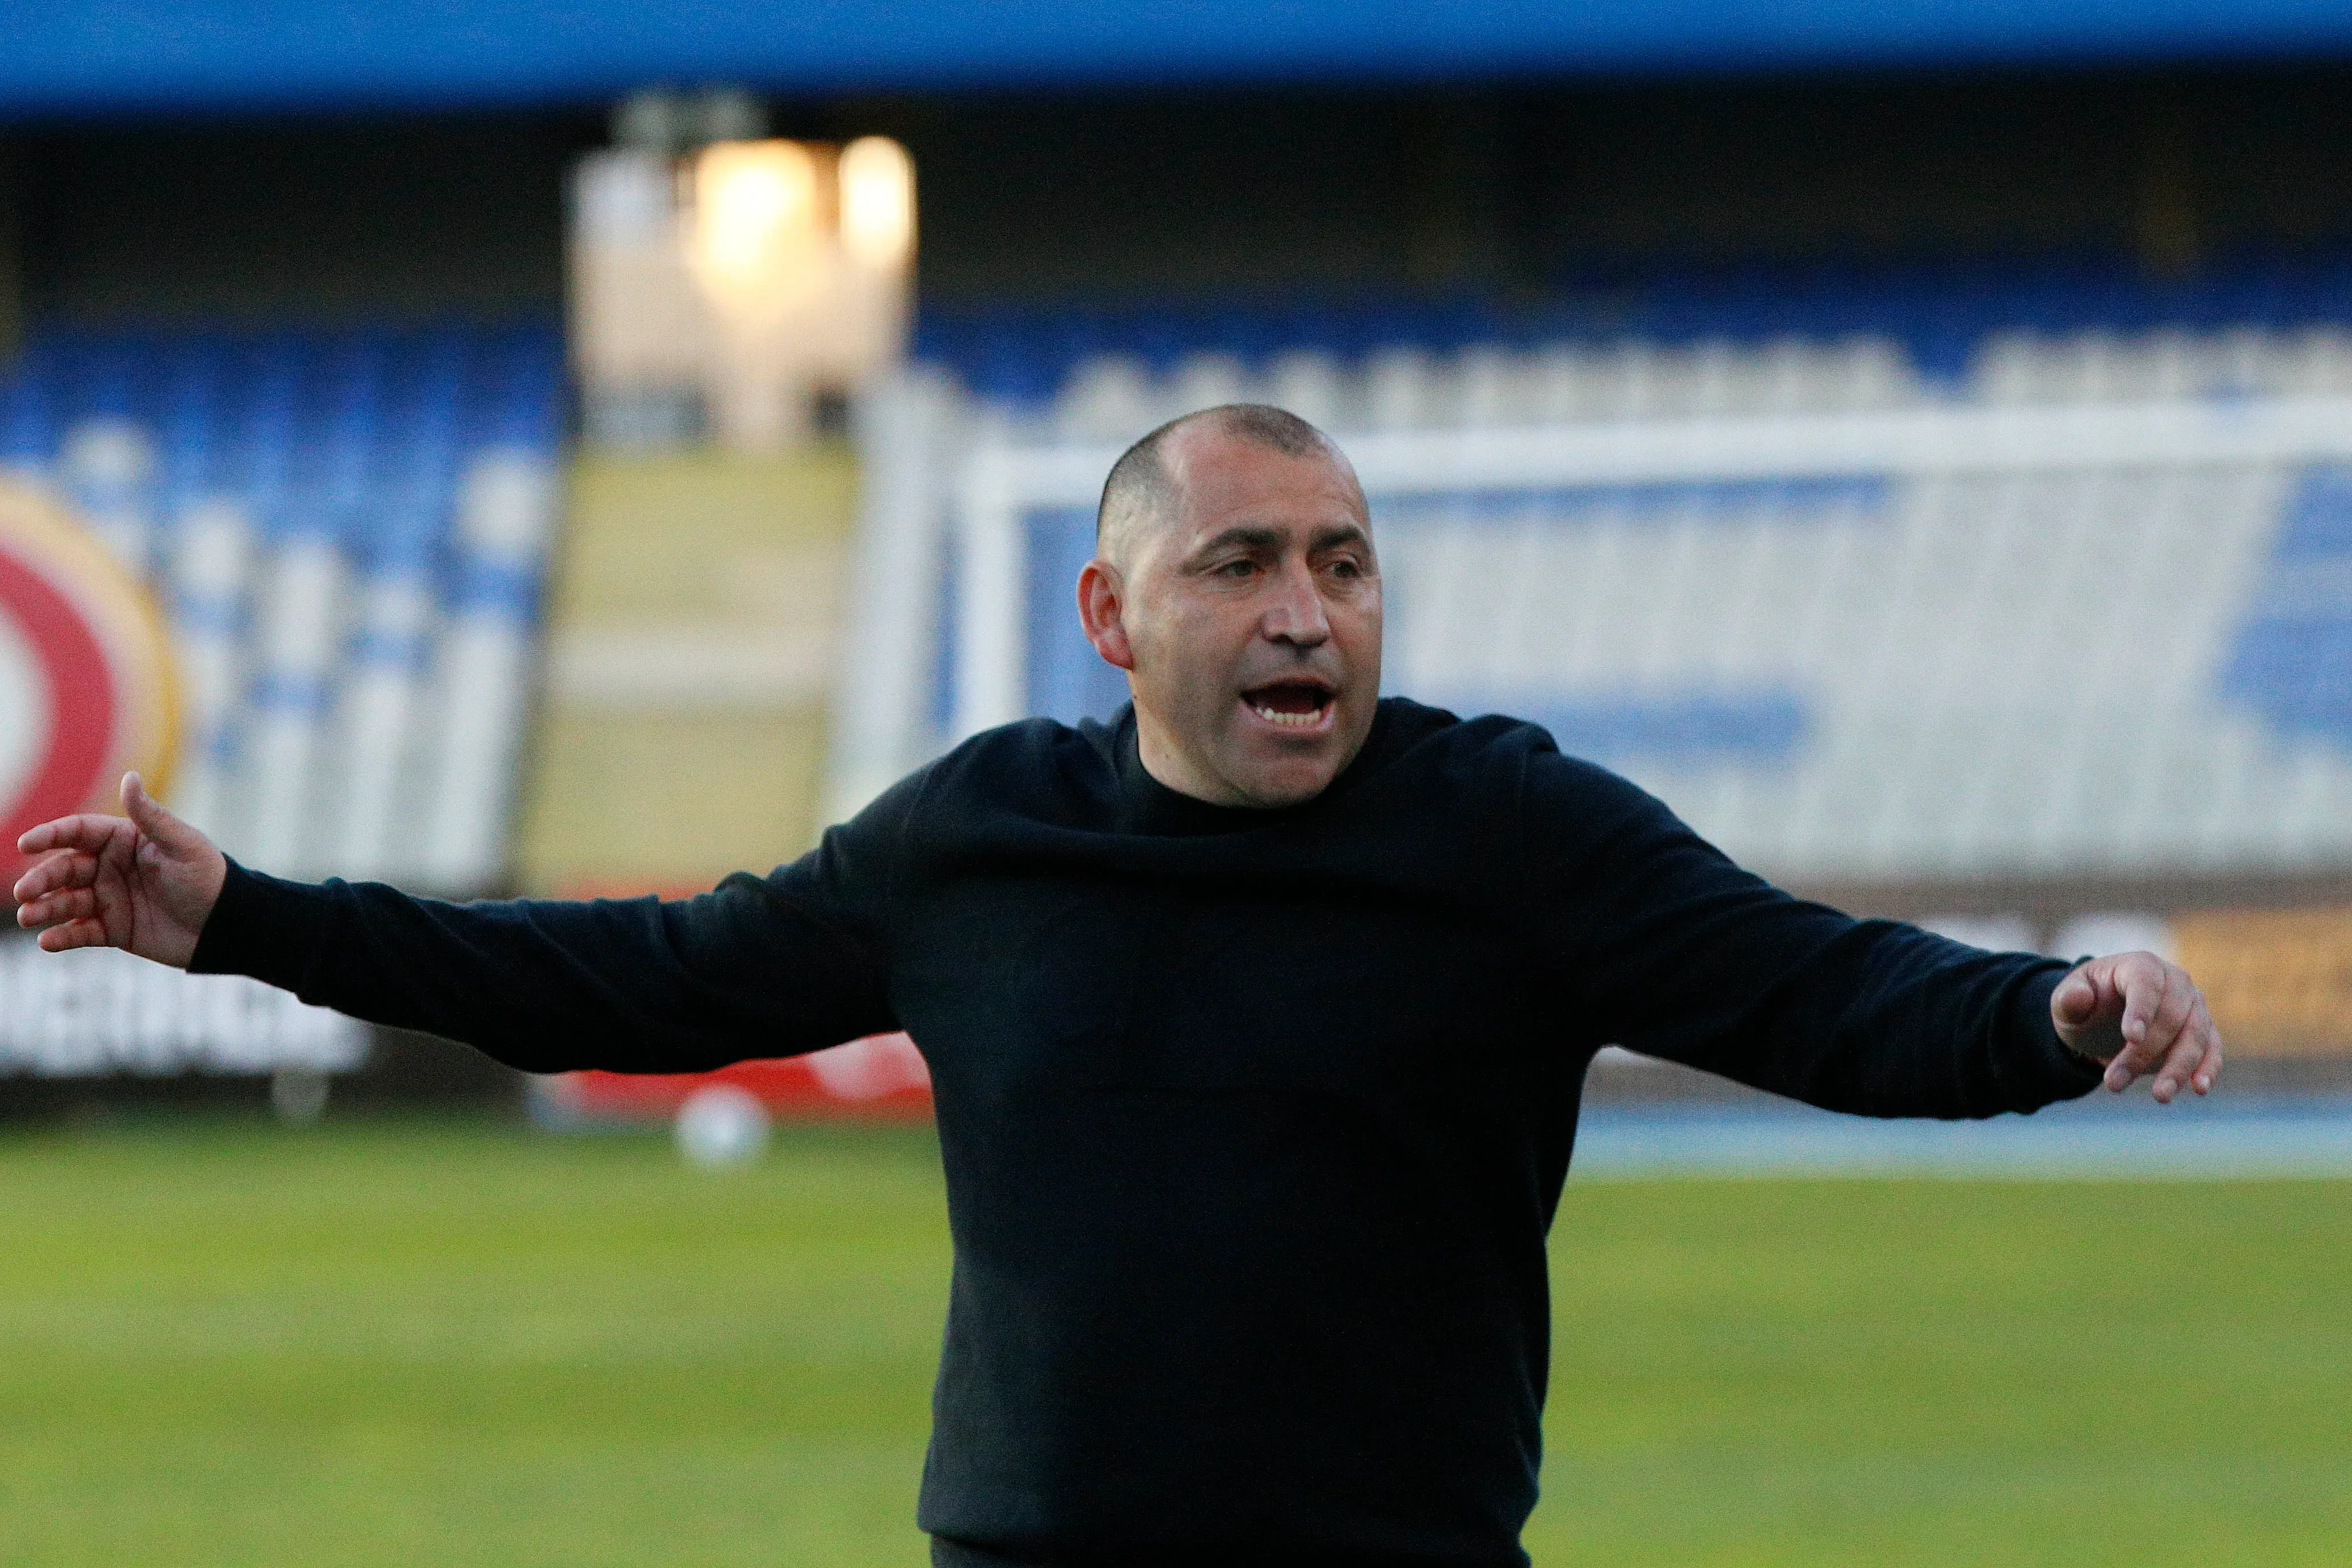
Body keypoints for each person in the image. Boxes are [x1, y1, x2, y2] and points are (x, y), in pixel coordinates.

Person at [14, 404, 2222, 1568]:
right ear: (1111, 613)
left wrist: (2049, 1008)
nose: (1307, 612)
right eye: (1240, 563)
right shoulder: (980, 837)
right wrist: (255, 917)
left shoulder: (1514, 833)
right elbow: (645, 978)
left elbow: (1814, 992)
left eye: (1342, 565)